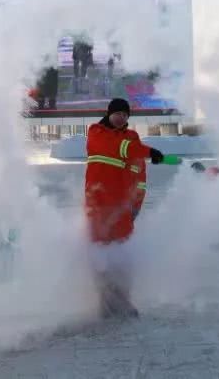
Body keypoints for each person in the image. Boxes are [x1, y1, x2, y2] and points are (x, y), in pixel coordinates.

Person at [84, 98, 164, 318]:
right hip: (98, 206)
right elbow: (118, 148)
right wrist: (149, 151)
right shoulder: (96, 132)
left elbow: (139, 175)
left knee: (123, 256)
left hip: (122, 209)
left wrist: (136, 205)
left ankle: (123, 300)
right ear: (109, 114)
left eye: (125, 114)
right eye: (117, 113)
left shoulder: (132, 138)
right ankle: (105, 303)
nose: (121, 117)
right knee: (101, 256)